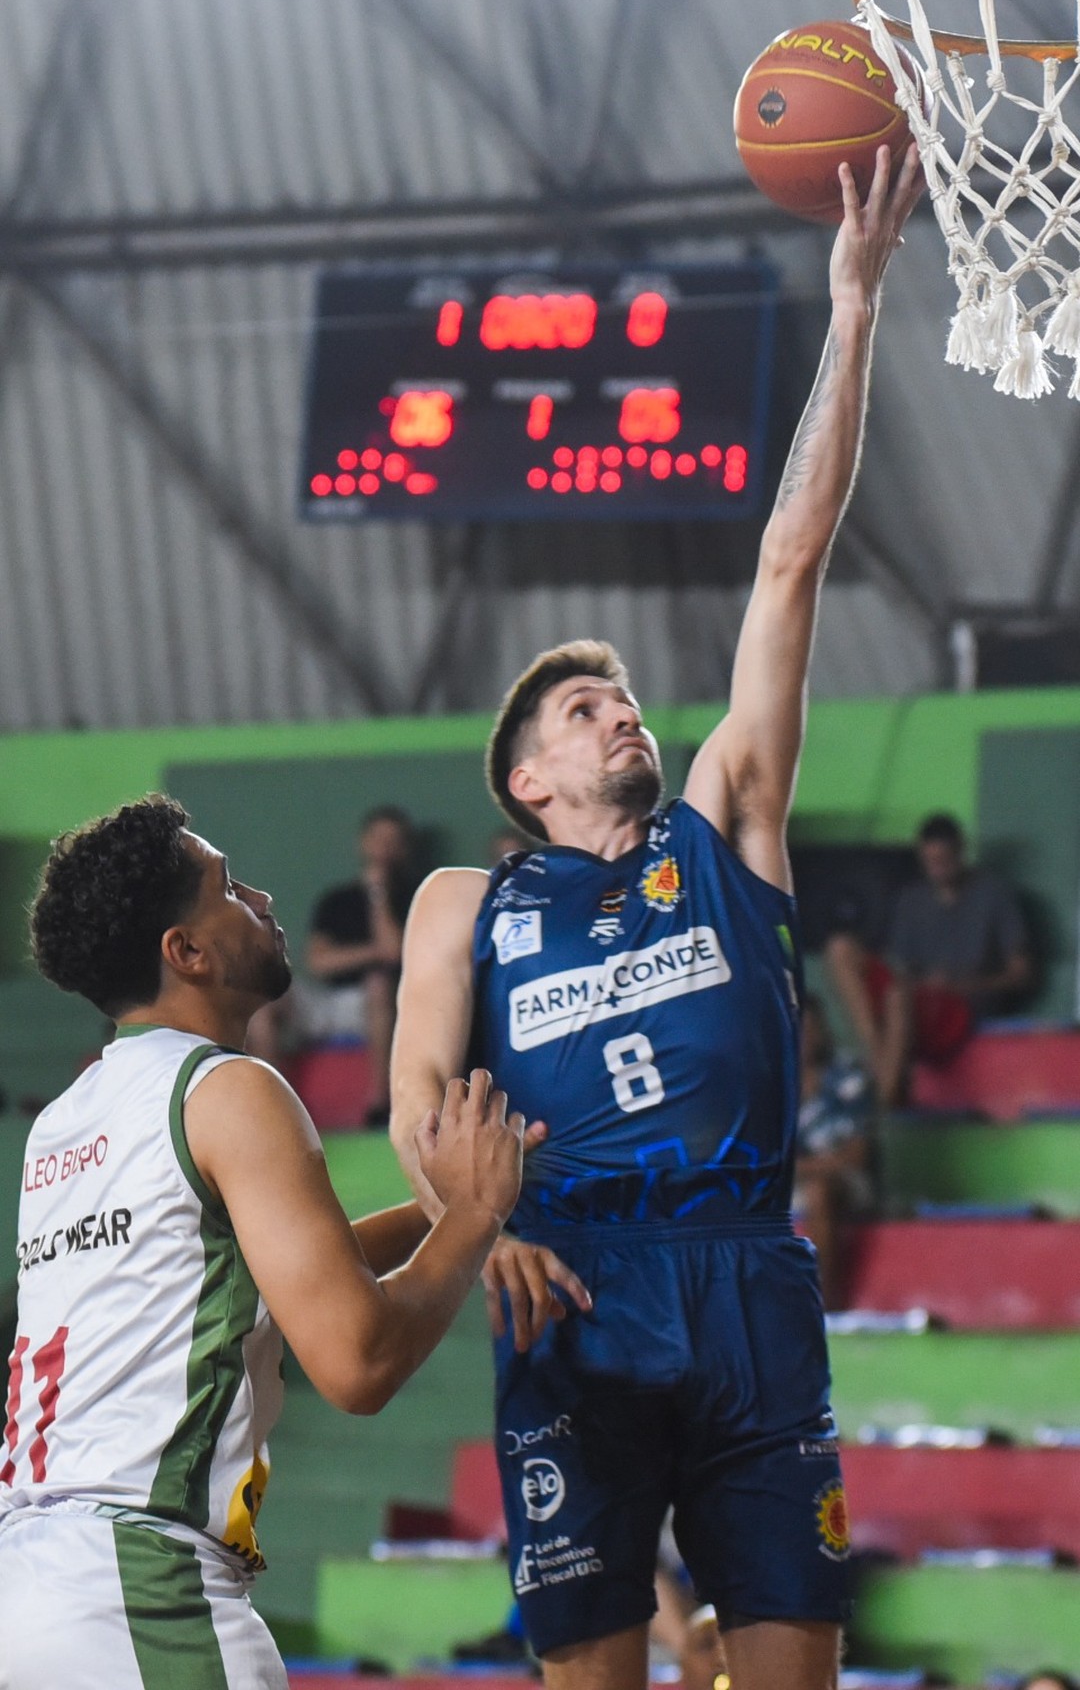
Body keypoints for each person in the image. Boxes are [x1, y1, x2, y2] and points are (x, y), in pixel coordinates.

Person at [391, 145, 923, 1690]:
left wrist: (854, 302)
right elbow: (420, 1104)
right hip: (576, 1292)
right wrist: (461, 1218)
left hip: (749, 1273)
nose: (618, 708)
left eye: (621, 693)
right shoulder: (466, 902)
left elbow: (788, 558)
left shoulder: (721, 819)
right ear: (528, 780)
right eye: (581, 704)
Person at [0, 794, 523, 1690]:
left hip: (32, 1584)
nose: (265, 898)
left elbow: (266, 1274)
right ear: (187, 952)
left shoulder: (66, 1121)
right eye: (229, 888)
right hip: (142, 1590)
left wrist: (444, 1211)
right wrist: (474, 1217)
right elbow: (356, 1360)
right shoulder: (232, 1088)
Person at [825, 812, 1033, 1107]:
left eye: (944, 860)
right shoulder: (912, 899)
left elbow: (1021, 975)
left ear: (960, 852)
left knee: (898, 996)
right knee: (841, 948)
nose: (937, 869)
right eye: (930, 861)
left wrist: (960, 985)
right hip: (916, 998)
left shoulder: (994, 893)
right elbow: (899, 966)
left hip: (961, 1005)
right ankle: (878, 1062)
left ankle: (883, 1105)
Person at [248, 805, 421, 1126]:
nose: (384, 847)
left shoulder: (415, 896)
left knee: (378, 984)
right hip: (328, 1002)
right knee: (266, 998)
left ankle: (380, 1106)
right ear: (364, 843)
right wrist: (374, 952)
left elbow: (395, 952)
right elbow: (319, 962)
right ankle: (273, 1107)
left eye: (392, 840)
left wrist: (378, 894)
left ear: (403, 848)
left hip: (381, 1007)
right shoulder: (337, 900)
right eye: (377, 838)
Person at [793, 995, 876, 1311]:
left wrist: (800, 1167)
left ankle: (824, 1307)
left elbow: (856, 1157)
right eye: (799, 1028)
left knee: (820, 1191)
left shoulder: (848, 1075)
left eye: (812, 1027)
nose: (806, 1036)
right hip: (789, 1182)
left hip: (847, 1182)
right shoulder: (773, 1082)